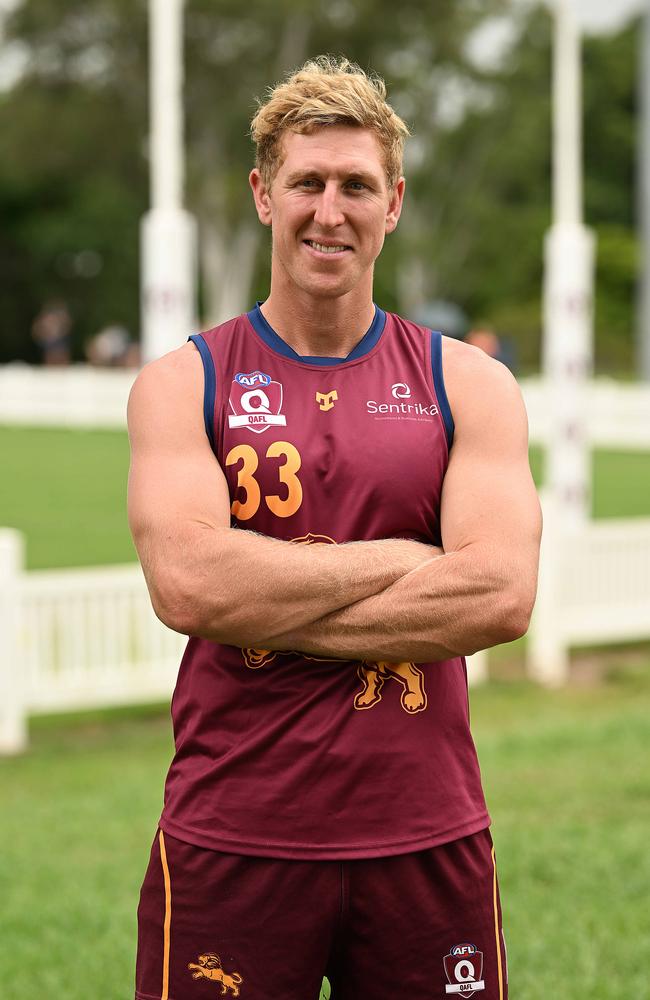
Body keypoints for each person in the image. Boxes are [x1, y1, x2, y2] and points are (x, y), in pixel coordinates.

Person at [128, 57, 541, 1000]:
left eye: (356, 185)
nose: (330, 209)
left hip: (425, 836)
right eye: (306, 182)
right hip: (234, 833)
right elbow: (189, 588)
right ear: (262, 195)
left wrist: (264, 601)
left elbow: (499, 593)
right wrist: (406, 563)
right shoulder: (183, 383)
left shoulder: (467, 384)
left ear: (392, 203)